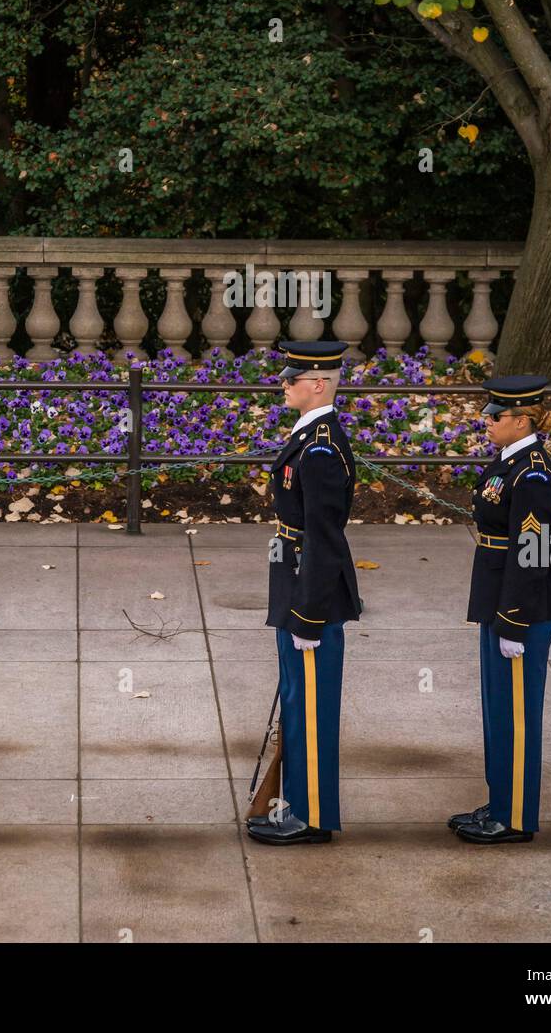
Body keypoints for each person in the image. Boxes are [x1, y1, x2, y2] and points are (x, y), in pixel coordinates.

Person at [449, 375, 551, 844]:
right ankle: (500, 800)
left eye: (495, 416)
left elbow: (532, 551)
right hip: (496, 596)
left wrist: (515, 621)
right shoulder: (509, 462)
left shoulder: (533, 474)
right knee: (499, 708)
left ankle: (515, 816)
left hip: (523, 605)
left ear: (521, 420)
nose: (486, 422)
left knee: (517, 714)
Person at [246, 339, 361, 846]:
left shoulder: (320, 450)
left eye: (291, 379)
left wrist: (309, 616)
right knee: (297, 700)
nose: (283, 384)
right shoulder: (309, 438)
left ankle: (313, 817)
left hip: (311, 593)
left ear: (317, 385)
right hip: (296, 581)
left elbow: (326, 538)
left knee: (311, 706)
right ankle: (296, 800)